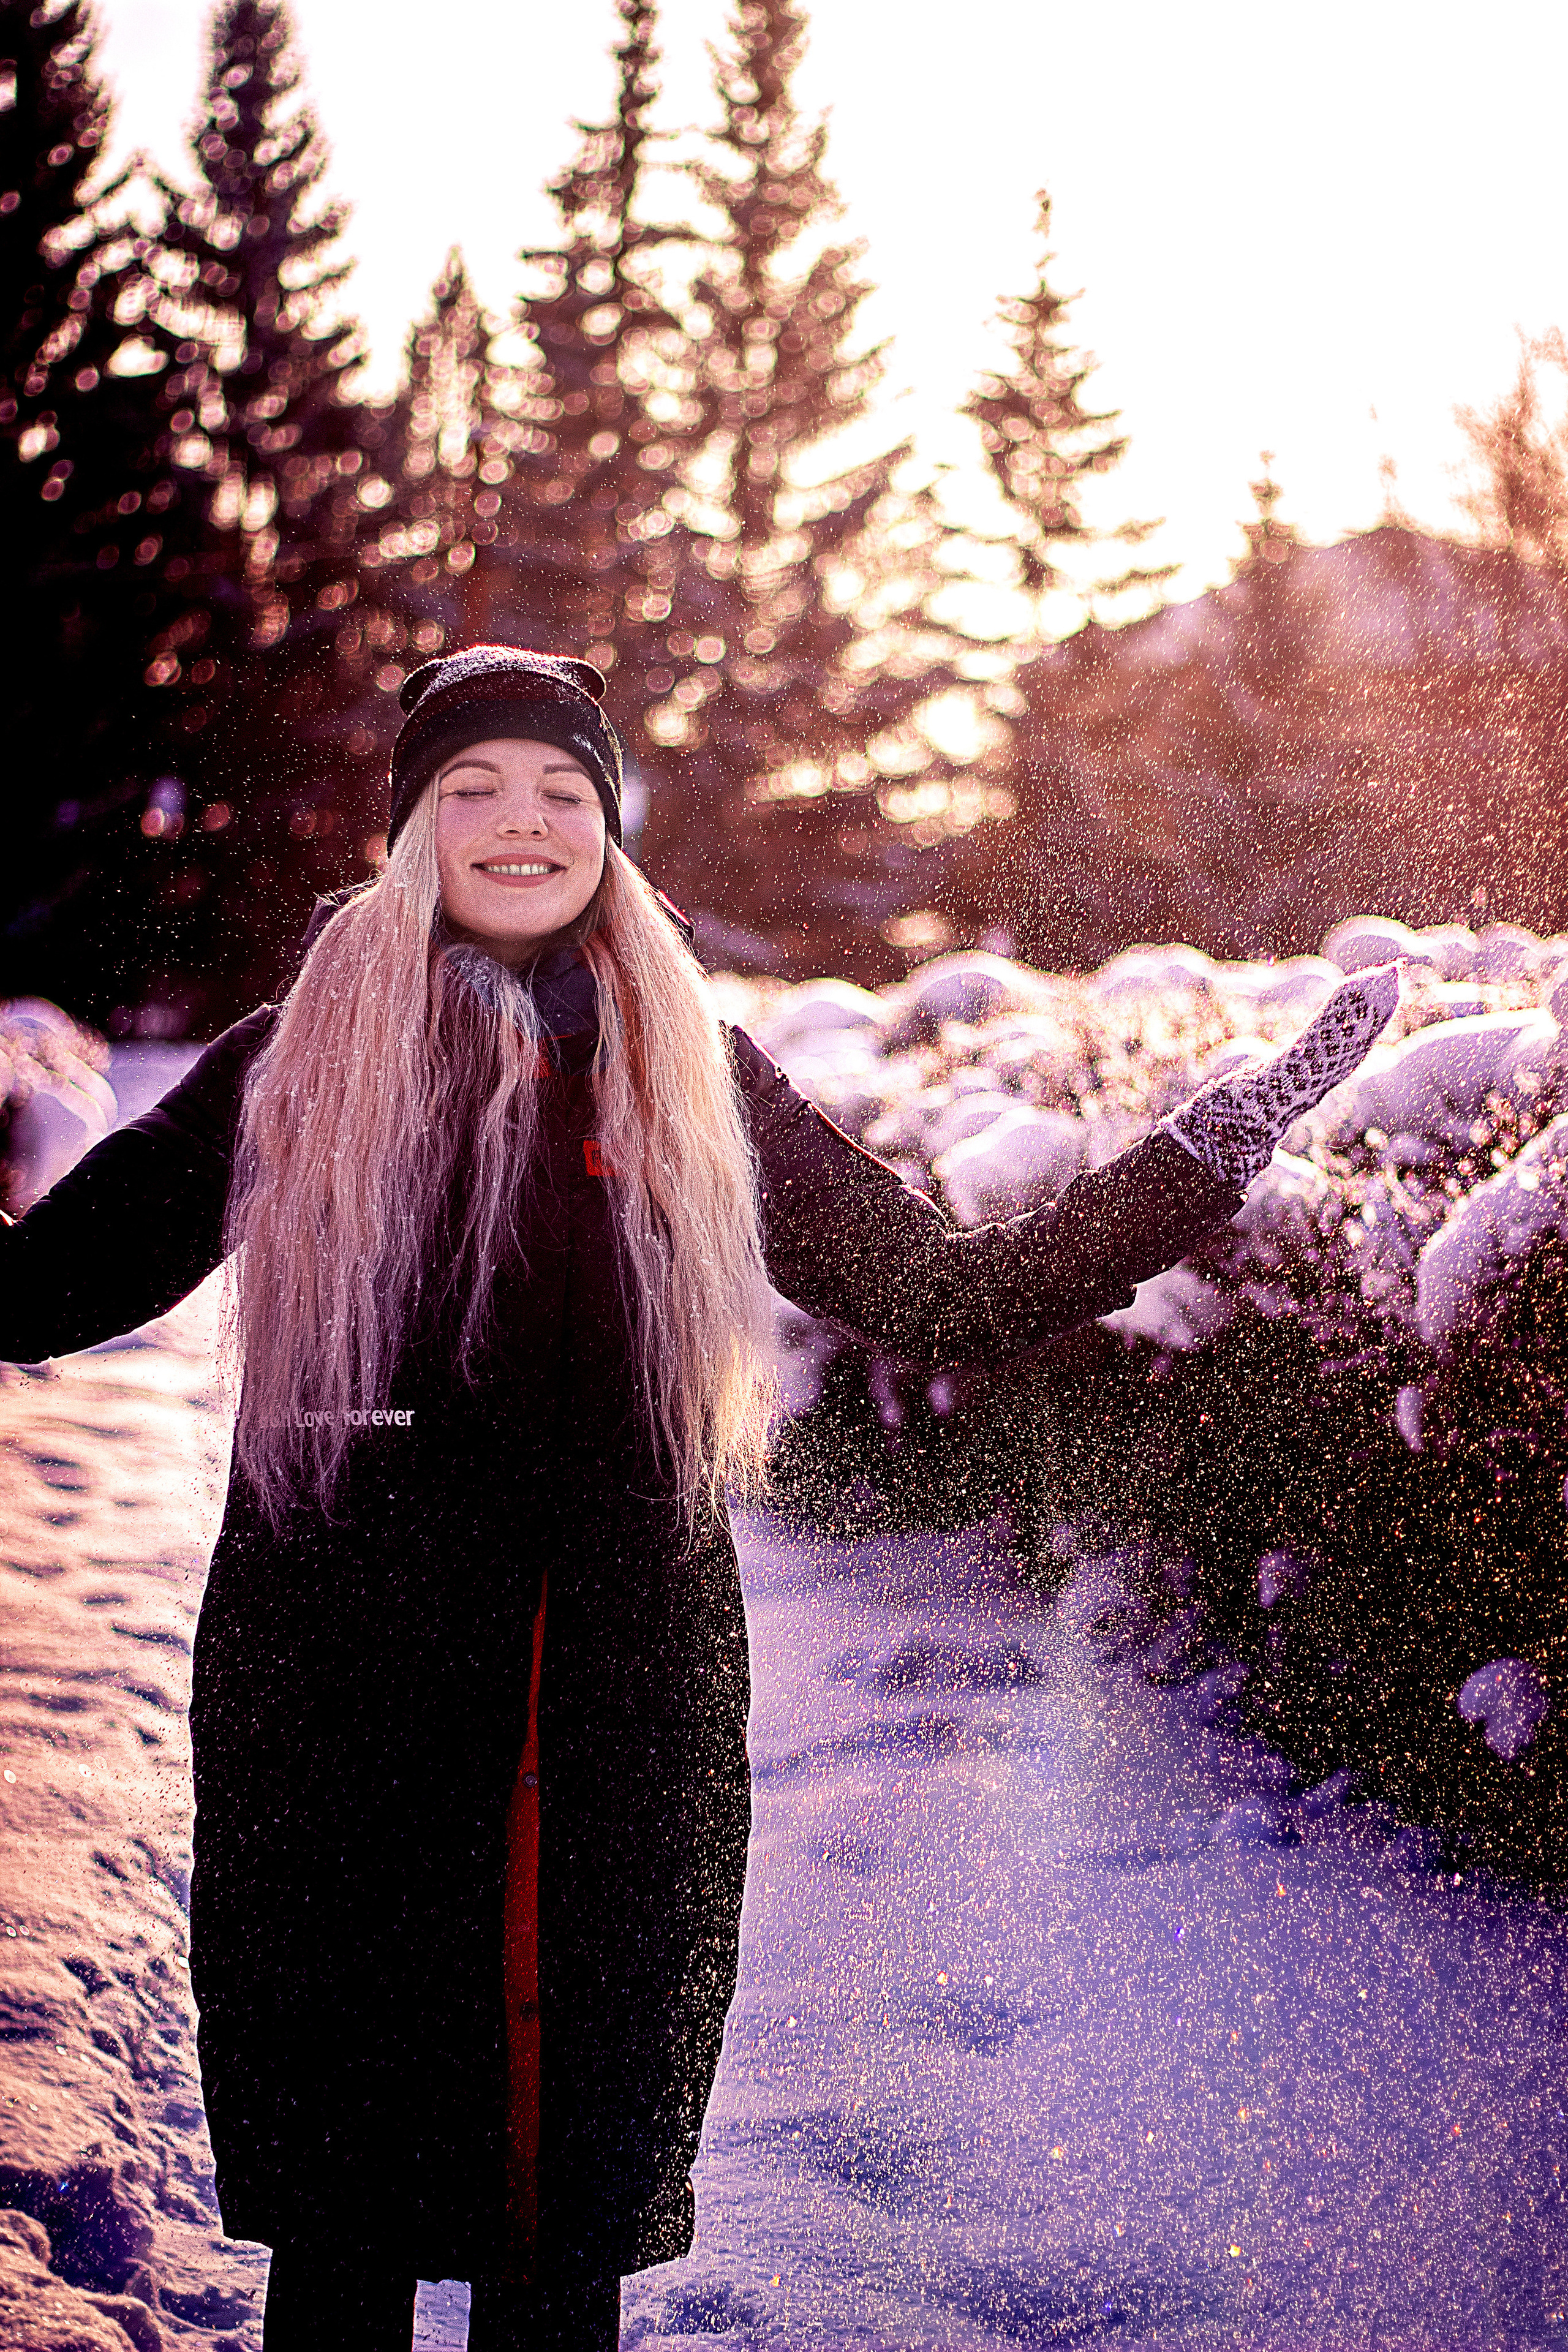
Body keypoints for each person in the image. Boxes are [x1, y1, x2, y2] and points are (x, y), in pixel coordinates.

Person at [0, 645, 1400, 2350]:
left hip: (617, 1717)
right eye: (473, 790)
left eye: (561, 792)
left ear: (609, 831)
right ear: (414, 829)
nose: (521, 823)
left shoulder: (697, 1073)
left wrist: (1203, 1154)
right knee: (346, 2224)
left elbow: (943, 1292)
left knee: (559, 2233)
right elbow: (44, 1291)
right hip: (343, 1713)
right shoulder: (293, 1064)